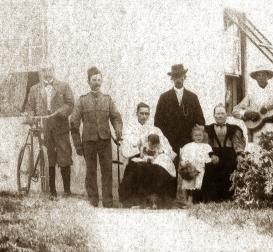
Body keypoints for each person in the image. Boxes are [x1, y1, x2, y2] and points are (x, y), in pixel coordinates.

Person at [70, 66, 123, 208]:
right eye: (94, 80)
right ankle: (93, 201)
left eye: (99, 79)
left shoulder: (107, 99)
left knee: (107, 171)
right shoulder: (82, 100)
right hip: (89, 142)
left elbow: (116, 117)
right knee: (91, 171)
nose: (97, 82)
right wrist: (77, 145)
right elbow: (73, 124)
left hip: (105, 140)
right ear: (88, 81)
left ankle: (108, 202)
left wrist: (118, 131)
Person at [154, 64, 205, 196]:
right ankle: (170, 199)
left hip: (188, 140)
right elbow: (157, 123)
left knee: (190, 169)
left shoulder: (192, 97)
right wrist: (164, 141)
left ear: (184, 77)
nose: (178, 79)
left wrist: (195, 136)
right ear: (172, 78)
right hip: (170, 141)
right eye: (175, 76)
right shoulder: (164, 97)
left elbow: (201, 121)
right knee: (170, 168)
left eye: (180, 76)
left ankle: (190, 198)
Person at [25, 62, 74, 199]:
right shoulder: (34, 89)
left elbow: (70, 104)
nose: (47, 73)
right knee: (49, 158)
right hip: (44, 128)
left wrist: (60, 111)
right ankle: (52, 191)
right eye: (44, 70)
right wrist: (30, 117)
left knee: (64, 156)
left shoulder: (64, 86)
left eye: (49, 70)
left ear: (54, 70)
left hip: (61, 127)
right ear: (41, 72)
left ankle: (67, 191)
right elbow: (29, 107)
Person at [119, 102, 176, 208]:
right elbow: (125, 150)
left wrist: (159, 152)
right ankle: (135, 201)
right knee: (136, 168)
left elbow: (167, 147)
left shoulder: (155, 129)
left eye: (147, 114)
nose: (144, 116)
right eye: (141, 113)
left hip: (154, 159)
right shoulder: (129, 129)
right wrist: (139, 150)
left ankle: (156, 201)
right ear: (136, 113)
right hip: (136, 158)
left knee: (160, 169)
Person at [232, 66, 273, 145]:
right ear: (255, 78)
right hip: (257, 132)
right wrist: (246, 113)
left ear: (267, 76)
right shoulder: (251, 94)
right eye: (258, 75)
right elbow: (235, 111)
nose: (260, 78)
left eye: (263, 75)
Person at [203, 104, 246, 202]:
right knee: (210, 167)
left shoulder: (234, 128)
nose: (220, 116)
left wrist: (239, 154)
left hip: (229, 155)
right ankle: (212, 198)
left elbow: (237, 144)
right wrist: (211, 155)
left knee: (231, 167)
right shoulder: (208, 129)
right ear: (214, 115)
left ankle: (230, 197)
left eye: (222, 113)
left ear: (226, 115)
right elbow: (206, 146)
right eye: (218, 113)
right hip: (214, 154)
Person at [179, 126, 218, 205]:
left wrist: (210, 160)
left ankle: (199, 199)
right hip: (191, 168)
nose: (198, 137)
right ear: (192, 136)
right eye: (196, 135)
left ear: (203, 136)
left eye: (200, 135)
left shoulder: (206, 146)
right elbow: (184, 157)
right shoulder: (188, 146)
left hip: (202, 168)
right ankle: (189, 199)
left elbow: (210, 157)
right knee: (190, 180)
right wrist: (186, 163)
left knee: (201, 178)